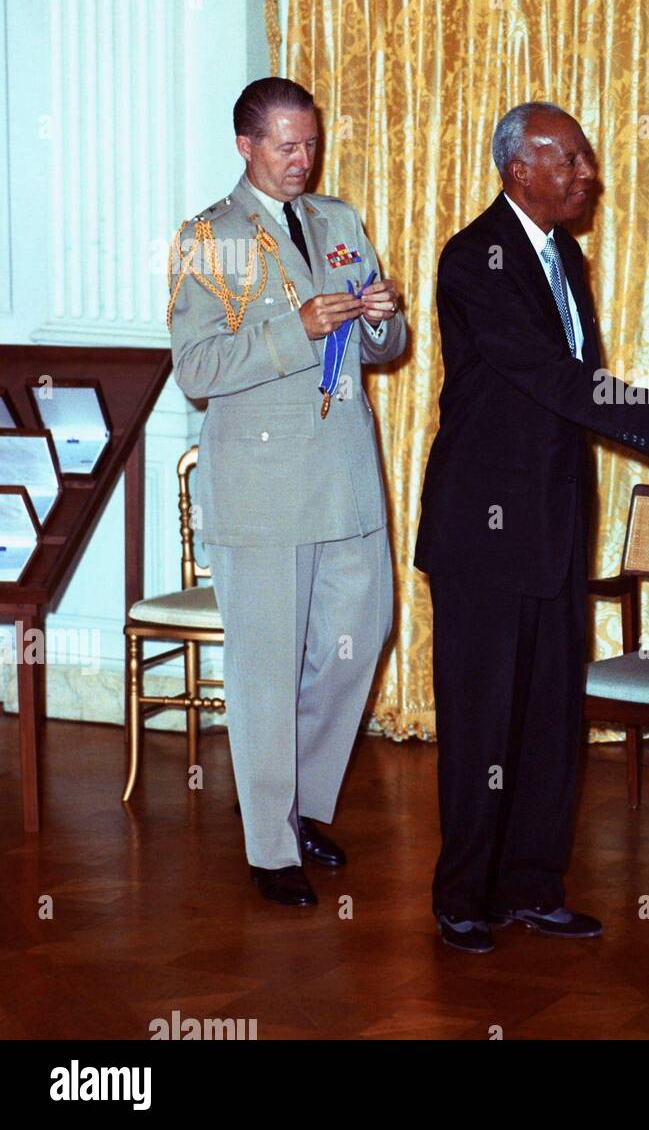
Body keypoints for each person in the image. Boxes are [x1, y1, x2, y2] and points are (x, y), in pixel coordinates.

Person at [413, 101, 649, 954]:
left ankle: (531, 887)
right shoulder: (475, 258)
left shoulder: (566, 256)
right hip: (483, 528)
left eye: (586, 160)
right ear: (520, 170)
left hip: (550, 524)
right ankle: (462, 896)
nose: (588, 175)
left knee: (549, 714)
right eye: (572, 161)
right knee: (482, 720)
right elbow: (549, 375)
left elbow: (580, 382)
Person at [168, 76, 406, 906]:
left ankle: (298, 803)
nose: (302, 159)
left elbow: (383, 345)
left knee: (360, 634)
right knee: (265, 667)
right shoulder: (210, 237)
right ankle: (270, 847)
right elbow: (195, 373)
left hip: (344, 474)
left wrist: (379, 315)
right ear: (245, 146)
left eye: (309, 142)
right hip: (262, 484)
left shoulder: (337, 220)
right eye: (284, 145)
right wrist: (293, 331)